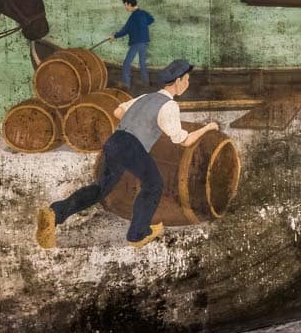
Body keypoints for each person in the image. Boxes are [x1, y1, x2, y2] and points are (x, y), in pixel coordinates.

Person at [36, 60, 219, 249]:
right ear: (179, 81)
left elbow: (117, 111)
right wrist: (207, 128)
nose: (187, 84)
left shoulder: (145, 97)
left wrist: (140, 122)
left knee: (100, 189)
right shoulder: (170, 105)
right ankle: (137, 234)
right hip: (131, 146)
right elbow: (183, 140)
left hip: (115, 141)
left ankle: (54, 213)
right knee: (154, 184)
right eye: (187, 80)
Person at [109, 0, 155, 90]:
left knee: (126, 63)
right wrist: (142, 27)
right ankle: (145, 82)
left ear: (130, 4)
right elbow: (151, 19)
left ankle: (126, 84)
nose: (125, 7)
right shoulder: (143, 13)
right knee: (142, 63)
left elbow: (125, 30)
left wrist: (114, 36)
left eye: (125, 5)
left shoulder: (133, 17)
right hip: (144, 41)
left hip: (136, 42)